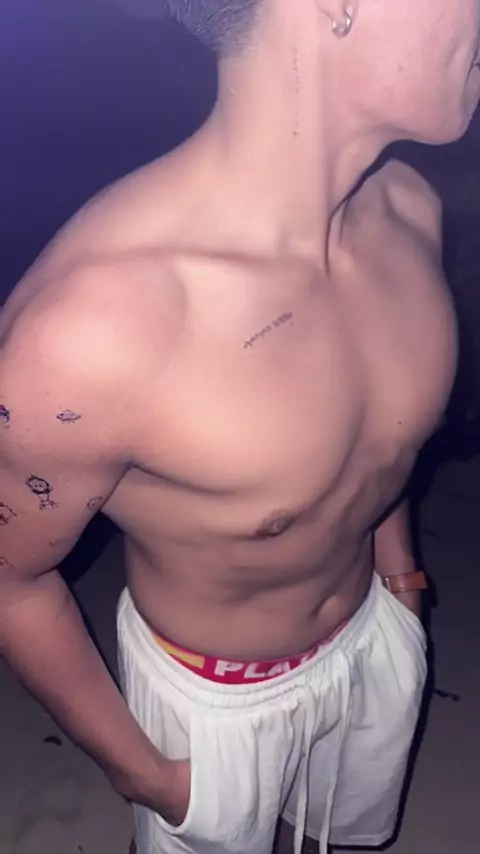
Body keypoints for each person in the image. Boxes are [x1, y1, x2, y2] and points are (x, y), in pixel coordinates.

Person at [1, 1, 478, 853]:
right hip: (211, 705)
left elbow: (383, 444)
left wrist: (401, 581)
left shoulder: (410, 210)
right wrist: (147, 775)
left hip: (373, 635)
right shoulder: (91, 333)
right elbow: (9, 579)